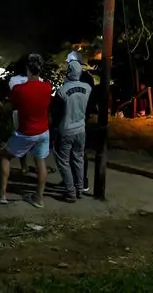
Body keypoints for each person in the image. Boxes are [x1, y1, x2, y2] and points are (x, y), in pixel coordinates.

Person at [0, 53, 52, 208]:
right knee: (41, 162)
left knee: (5, 156)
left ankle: (1, 195)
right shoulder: (47, 87)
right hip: (44, 131)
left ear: (27, 68)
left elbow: (10, 106)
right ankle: (38, 197)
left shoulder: (19, 89)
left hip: (27, 131)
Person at [53, 60, 92, 202]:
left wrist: (54, 129)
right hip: (81, 129)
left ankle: (70, 191)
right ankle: (80, 188)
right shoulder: (87, 88)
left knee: (63, 161)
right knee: (79, 158)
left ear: (68, 72)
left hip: (66, 130)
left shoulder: (62, 91)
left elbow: (56, 113)